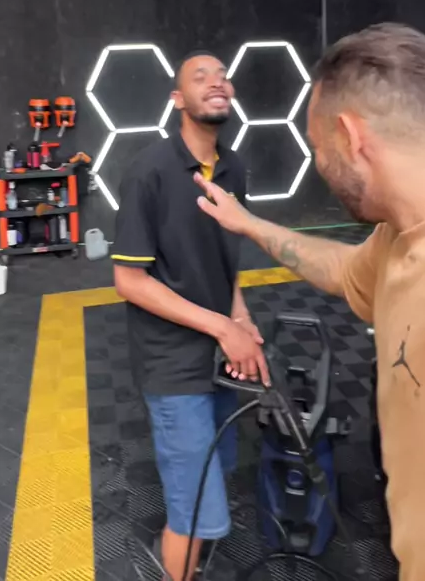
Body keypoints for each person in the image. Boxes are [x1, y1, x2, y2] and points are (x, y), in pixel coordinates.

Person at [194, 22, 425, 581]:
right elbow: (345, 270)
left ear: (350, 136)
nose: (319, 165)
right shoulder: (397, 237)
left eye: (317, 147)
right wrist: (249, 225)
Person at [112, 51, 269, 581]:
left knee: (215, 470)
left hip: (219, 354)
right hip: (173, 365)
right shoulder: (148, 172)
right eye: (200, 77)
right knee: (194, 503)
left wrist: (240, 319)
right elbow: (129, 281)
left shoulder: (234, 169)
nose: (216, 82)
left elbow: (226, 261)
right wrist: (223, 327)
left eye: (222, 75)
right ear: (178, 99)